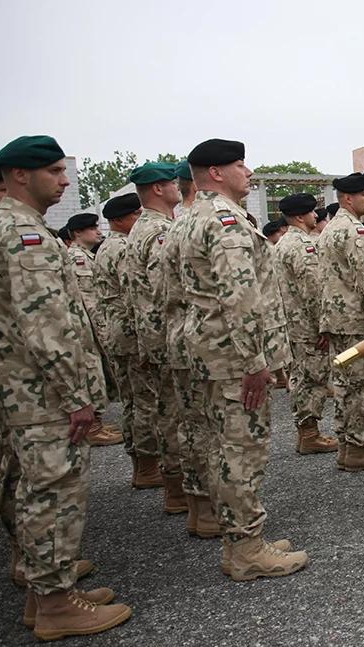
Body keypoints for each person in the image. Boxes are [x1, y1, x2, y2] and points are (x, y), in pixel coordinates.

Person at [0, 135, 133, 640]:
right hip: (42, 393)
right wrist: (78, 397)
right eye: (53, 171)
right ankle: (56, 605)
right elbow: (47, 325)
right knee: (53, 493)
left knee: (38, 488)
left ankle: (44, 594)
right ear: (18, 176)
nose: (65, 180)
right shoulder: (21, 235)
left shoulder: (20, 227)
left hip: (27, 389)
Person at [182, 138, 306, 580]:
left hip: (209, 351)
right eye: (239, 164)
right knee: (242, 450)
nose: (249, 171)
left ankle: (242, 538)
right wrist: (256, 362)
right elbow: (239, 298)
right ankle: (246, 549)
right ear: (216, 172)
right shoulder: (225, 221)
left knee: (222, 446)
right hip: (235, 356)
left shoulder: (190, 216)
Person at [160, 159, 219, 538]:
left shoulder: (177, 225)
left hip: (183, 337)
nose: (247, 173)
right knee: (216, 433)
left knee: (194, 427)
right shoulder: (210, 222)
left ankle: (201, 509)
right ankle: (219, 516)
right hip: (211, 342)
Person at [319, 172, 364, 471]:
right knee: (361, 386)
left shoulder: (330, 229)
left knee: (345, 385)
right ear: (348, 198)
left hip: (338, 320)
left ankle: (347, 445)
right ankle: (357, 447)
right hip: (357, 322)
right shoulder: (354, 232)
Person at [127, 161, 187, 514]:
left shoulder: (144, 227)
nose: (177, 186)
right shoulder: (159, 231)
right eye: (170, 183)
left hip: (155, 334)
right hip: (166, 335)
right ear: (157, 189)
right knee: (175, 414)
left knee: (168, 411)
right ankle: (179, 488)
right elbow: (165, 289)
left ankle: (176, 487)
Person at [93, 193, 159, 488]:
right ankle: (147, 467)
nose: (139, 220)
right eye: (135, 215)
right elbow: (134, 294)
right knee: (145, 400)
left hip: (116, 331)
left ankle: (140, 465)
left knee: (133, 400)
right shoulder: (121, 248)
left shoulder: (107, 246)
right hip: (130, 332)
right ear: (118, 220)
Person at [273, 193, 338, 456]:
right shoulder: (302, 245)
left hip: (291, 321)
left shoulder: (283, 244)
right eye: (312, 212)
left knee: (301, 376)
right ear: (300, 216)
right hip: (307, 324)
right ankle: (309, 433)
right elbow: (312, 289)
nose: (315, 216)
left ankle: (306, 431)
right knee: (312, 378)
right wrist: (324, 324)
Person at [65, 212, 122, 447]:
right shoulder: (77, 259)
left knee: (97, 373)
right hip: (86, 328)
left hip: (90, 326)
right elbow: (88, 300)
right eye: (92, 228)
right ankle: (94, 428)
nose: (98, 232)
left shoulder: (86, 256)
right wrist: (102, 331)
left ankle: (97, 423)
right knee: (91, 373)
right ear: (78, 233)